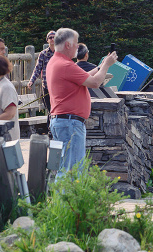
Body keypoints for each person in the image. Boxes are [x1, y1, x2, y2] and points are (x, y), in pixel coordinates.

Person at [46, 28, 118, 177]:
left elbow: (83, 76)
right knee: (72, 171)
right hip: (70, 123)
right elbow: (95, 82)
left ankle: (61, 199)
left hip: (62, 121)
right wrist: (107, 65)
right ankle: (68, 200)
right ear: (68, 45)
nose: (78, 47)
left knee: (64, 168)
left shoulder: (56, 61)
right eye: (76, 43)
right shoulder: (66, 65)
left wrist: (100, 65)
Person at [28, 31, 56, 114]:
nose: (52, 39)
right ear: (47, 40)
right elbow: (37, 69)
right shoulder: (43, 54)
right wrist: (31, 81)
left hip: (58, 87)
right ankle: (49, 126)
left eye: (54, 37)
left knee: (56, 110)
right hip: (46, 86)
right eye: (50, 37)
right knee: (49, 110)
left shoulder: (60, 53)